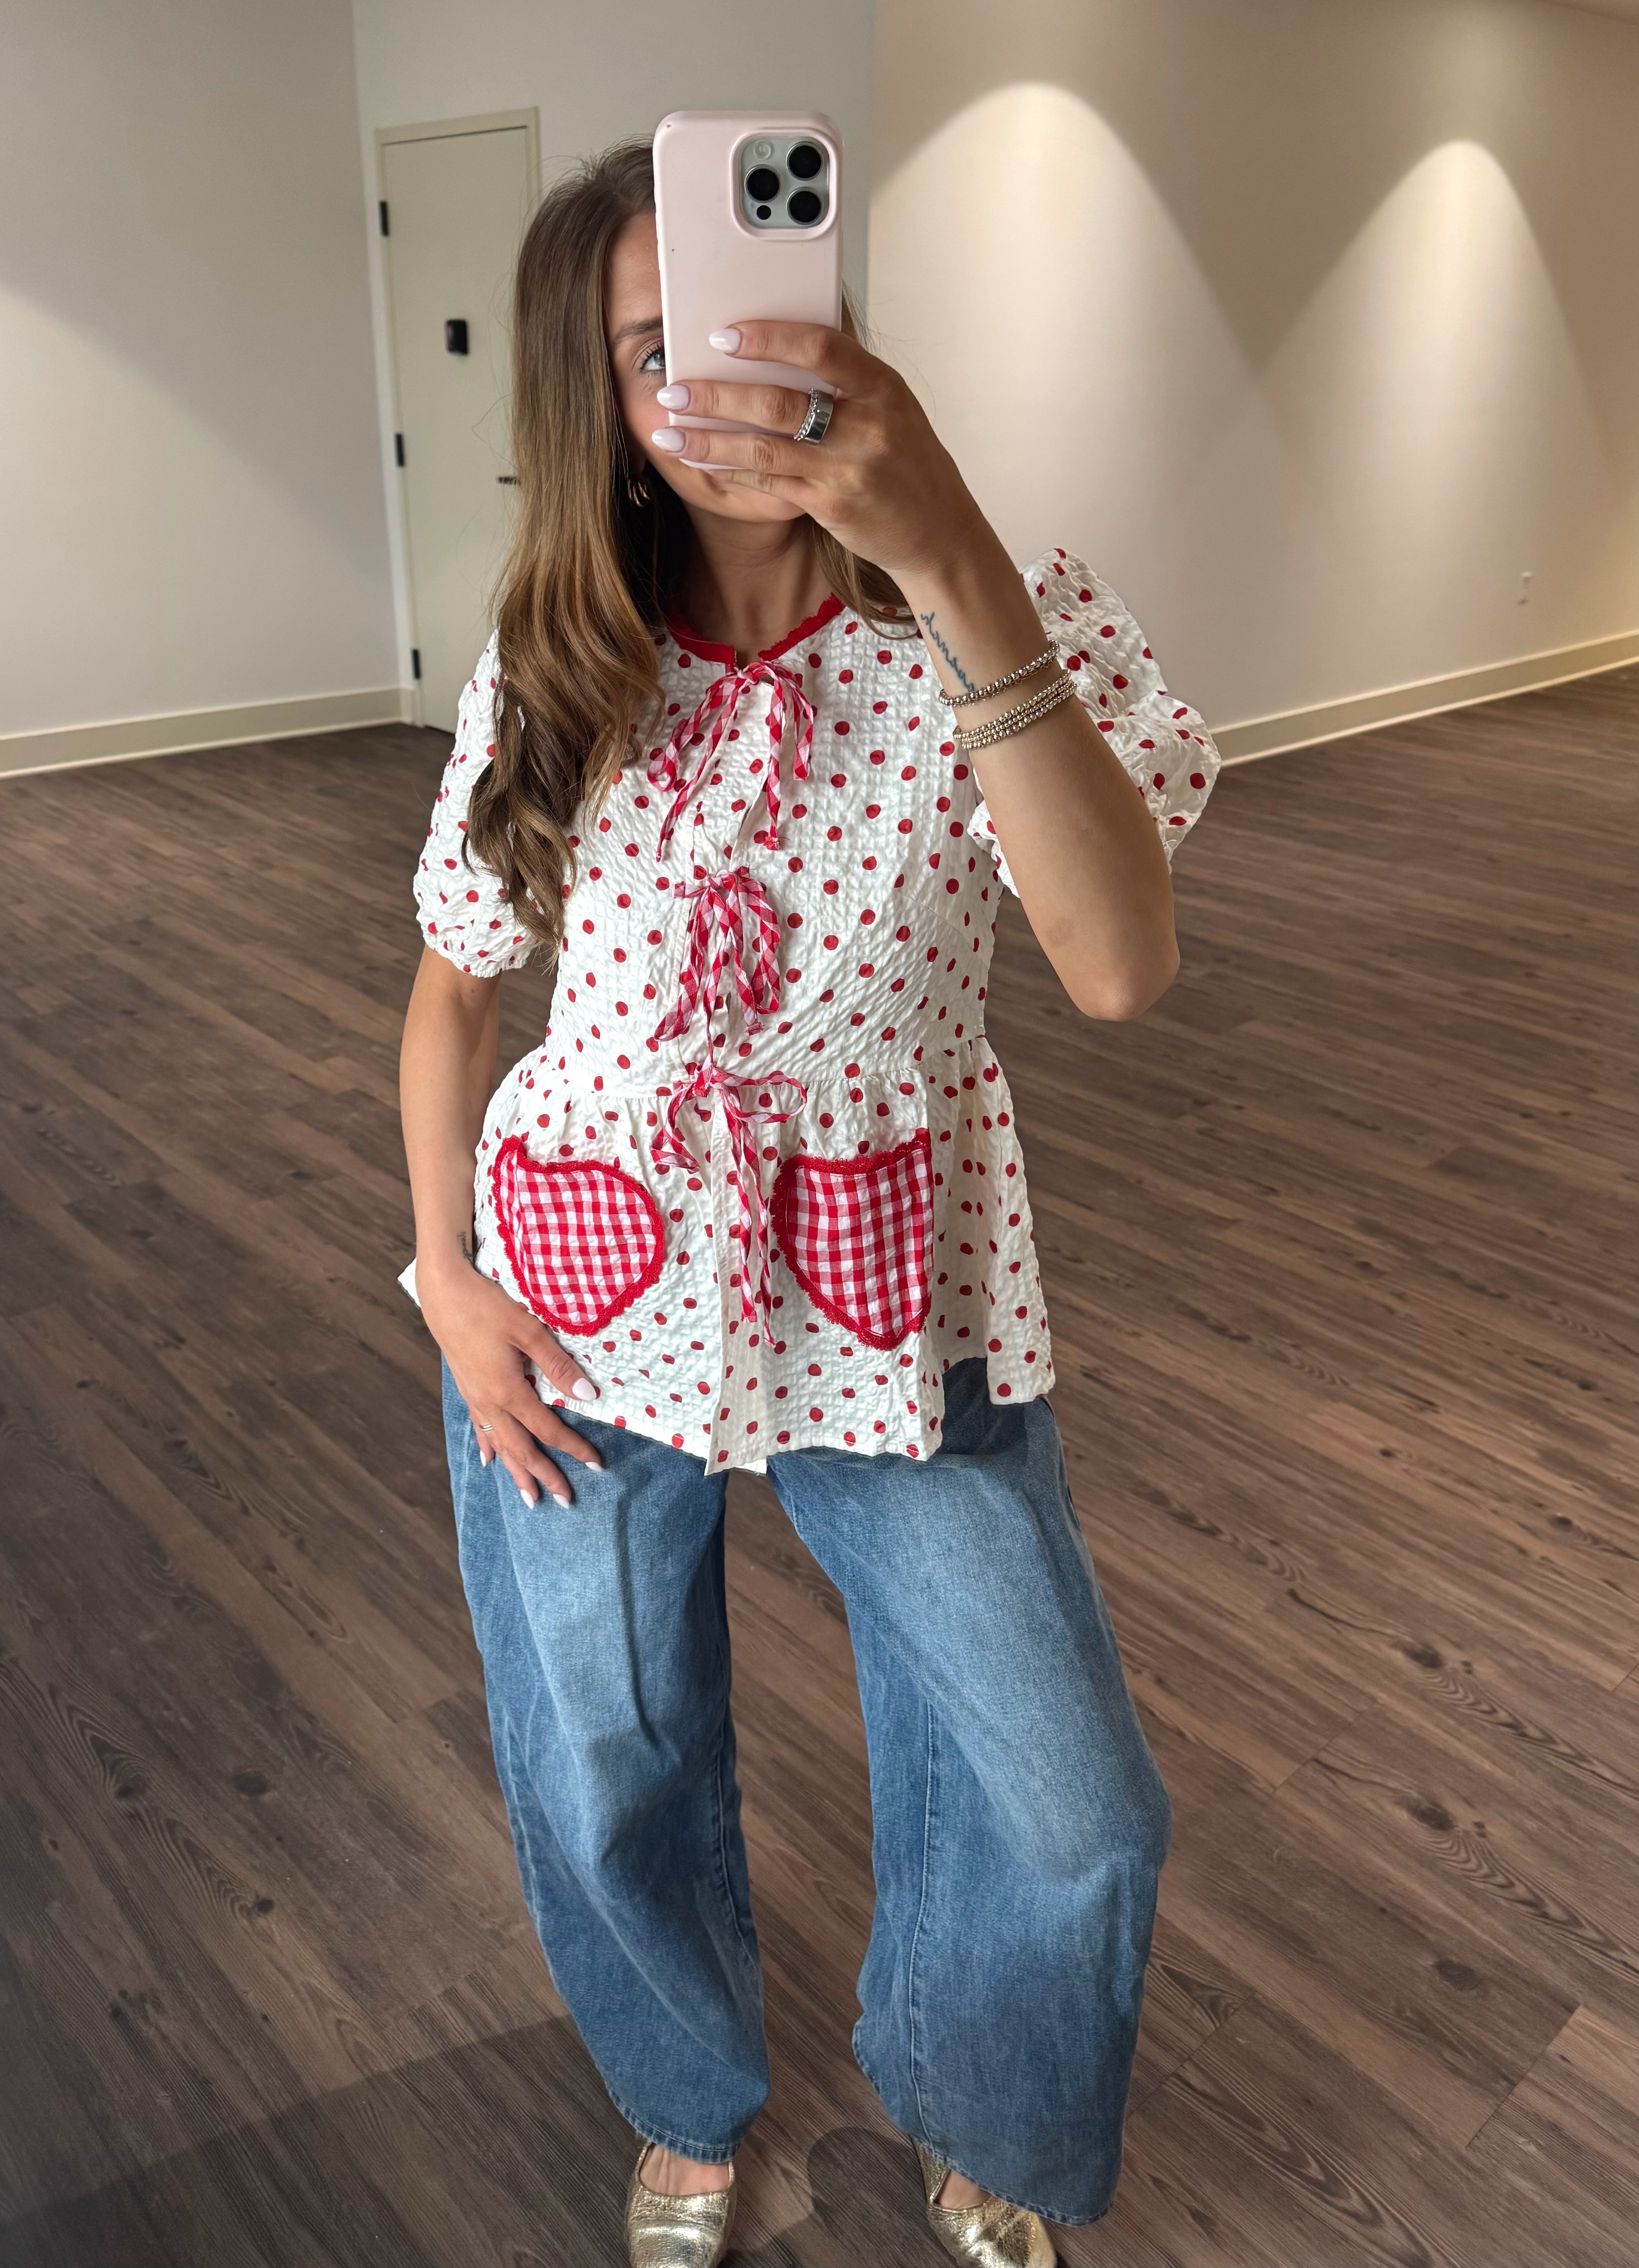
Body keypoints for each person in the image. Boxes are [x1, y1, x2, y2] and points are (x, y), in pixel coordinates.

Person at [397, 138, 1218, 2268]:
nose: (728, 384)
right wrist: (446, 1279)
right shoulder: (558, 661)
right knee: (606, 1752)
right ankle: (687, 2100)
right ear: (604, 408)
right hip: (580, 1286)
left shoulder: (983, 605)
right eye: (657, 353)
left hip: (889, 1287)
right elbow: (454, 993)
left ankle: (981, 2085)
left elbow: (1123, 968)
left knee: (1072, 1800)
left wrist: (943, 549)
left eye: (762, 320)